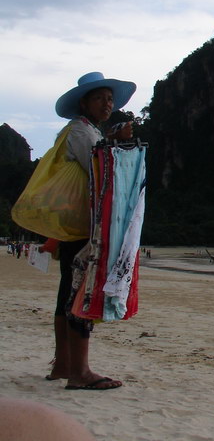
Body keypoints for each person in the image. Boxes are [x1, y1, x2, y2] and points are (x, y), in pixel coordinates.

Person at [45, 72, 136, 391]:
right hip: (85, 224)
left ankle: (62, 364)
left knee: (66, 291)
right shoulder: (81, 132)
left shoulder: (84, 131)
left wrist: (110, 140)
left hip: (76, 223)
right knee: (80, 292)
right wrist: (117, 145)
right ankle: (79, 371)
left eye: (110, 98)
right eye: (100, 98)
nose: (107, 103)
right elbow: (99, 170)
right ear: (84, 102)